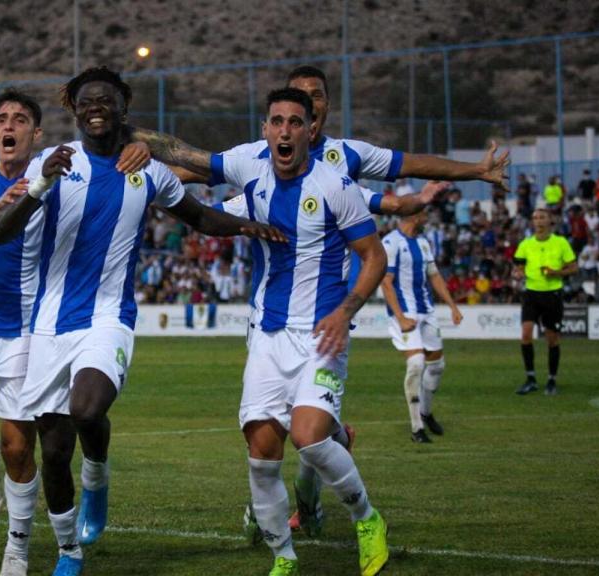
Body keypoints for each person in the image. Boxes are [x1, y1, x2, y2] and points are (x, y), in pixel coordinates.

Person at [131, 63, 502, 535]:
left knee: (307, 432)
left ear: (319, 111)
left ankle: (306, 508)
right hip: (269, 316)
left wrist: (473, 171)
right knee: (272, 429)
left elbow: (408, 164)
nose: (307, 105)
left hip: (324, 316)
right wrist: (140, 171)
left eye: (317, 95)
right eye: (296, 98)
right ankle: (295, 493)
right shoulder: (259, 159)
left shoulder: (346, 159)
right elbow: (197, 170)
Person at [0, 66, 282, 576]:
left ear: (123, 109)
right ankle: (68, 551)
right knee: (53, 452)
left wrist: (247, 226)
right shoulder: (54, 162)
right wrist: (40, 183)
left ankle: (97, 475)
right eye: (86, 101)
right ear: (74, 111)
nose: (95, 108)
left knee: (87, 411)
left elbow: (200, 217)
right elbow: (2, 232)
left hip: (110, 317)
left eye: (105, 100)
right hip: (50, 325)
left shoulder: (146, 170)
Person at [0, 89, 153, 576]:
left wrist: (140, 147)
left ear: (37, 135)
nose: (9, 126)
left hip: (27, 333)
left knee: (20, 449)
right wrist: (5, 203)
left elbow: (111, 156)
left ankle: (17, 551)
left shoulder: (58, 173)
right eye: (2, 119)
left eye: (20, 120)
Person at [201, 87, 390, 576]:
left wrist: (345, 311)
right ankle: (284, 557)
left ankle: (367, 519)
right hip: (268, 336)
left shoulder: (335, 185)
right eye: (276, 121)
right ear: (265, 130)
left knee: (309, 438)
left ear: (311, 130)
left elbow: (374, 256)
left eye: (295, 122)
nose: (285, 131)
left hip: (321, 334)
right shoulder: (251, 174)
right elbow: (193, 168)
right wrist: (139, 157)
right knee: (262, 454)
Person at [379, 207, 464, 443]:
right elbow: (386, 282)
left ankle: (426, 412)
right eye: (425, 215)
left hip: (426, 311)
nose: (427, 219)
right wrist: (400, 317)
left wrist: (453, 306)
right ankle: (417, 428)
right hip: (405, 312)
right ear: (414, 216)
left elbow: (434, 275)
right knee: (416, 363)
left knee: (436, 366)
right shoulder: (391, 242)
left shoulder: (424, 242)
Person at [513, 208, 578, 396]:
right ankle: (531, 379)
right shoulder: (525, 244)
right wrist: (518, 274)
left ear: (550, 221)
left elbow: (574, 268)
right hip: (531, 294)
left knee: (552, 339)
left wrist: (556, 272)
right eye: (535, 218)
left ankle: (551, 380)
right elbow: (518, 268)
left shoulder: (561, 242)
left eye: (542, 217)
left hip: (552, 295)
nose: (538, 221)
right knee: (526, 334)